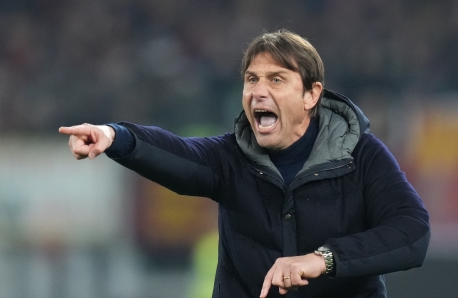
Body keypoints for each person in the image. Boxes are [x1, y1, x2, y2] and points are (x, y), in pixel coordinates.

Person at [59, 29, 430, 298]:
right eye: (251, 79)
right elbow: (178, 155)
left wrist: (323, 259)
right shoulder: (231, 158)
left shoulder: (362, 155)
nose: (258, 91)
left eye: (276, 79)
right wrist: (115, 136)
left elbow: (411, 231)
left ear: (311, 94)